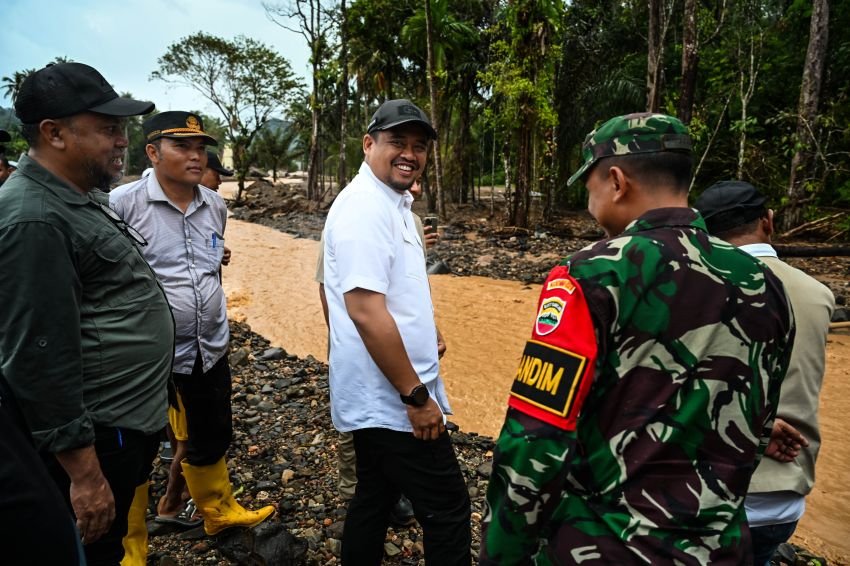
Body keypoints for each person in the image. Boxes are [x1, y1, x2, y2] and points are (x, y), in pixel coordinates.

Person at [479, 112, 795, 565]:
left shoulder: (591, 275)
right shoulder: (765, 282)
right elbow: (757, 422)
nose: (588, 198)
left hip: (605, 546)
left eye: (587, 185)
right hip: (722, 550)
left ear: (616, 181)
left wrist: (501, 553)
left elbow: (536, 437)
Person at [0, 61, 175, 566]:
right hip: (95, 440)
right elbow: (39, 356)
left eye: (121, 128)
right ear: (54, 133)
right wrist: (84, 475)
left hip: (121, 428)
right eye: (108, 129)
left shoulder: (78, 197)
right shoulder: (34, 218)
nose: (122, 141)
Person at [110, 111, 275, 540]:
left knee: (213, 430)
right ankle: (131, 544)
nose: (196, 156)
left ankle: (217, 510)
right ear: (152, 153)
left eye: (201, 147)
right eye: (182, 146)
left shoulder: (214, 205)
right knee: (139, 446)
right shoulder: (123, 204)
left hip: (209, 344)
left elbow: (208, 268)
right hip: (148, 353)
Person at [323, 99, 470, 565]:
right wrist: (417, 398)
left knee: (375, 495)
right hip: (393, 401)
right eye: (397, 143)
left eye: (418, 146)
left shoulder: (394, 205)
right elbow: (365, 310)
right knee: (448, 507)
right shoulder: (364, 209)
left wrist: (431, 328)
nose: (409, 153)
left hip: (381, 396)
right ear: (369, 145)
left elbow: (391, 291)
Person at [695, 180, 835, 566]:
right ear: (768, 222)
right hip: (784, 498)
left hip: (709, 492)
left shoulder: (695, 288)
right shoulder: (818, 294)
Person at [316, 175, 441, 526]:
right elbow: (333, 290)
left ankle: (381, 495)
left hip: (403, 358)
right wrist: (341, 341)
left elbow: (411, 287)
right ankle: (351, 490)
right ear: (370, 147)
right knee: (361, 433)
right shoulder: (357, 211)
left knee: (381, 466)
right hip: (366, 351)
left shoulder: (408, 218)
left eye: (419, 180)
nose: (415, 186)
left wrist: (433, 329)